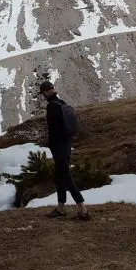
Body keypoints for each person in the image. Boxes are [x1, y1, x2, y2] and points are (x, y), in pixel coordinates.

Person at [39, 81, 90, 221]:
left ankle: (83, 209)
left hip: (59, 147)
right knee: (60, 176)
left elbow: (53, 130)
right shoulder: (62, 103)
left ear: (44, 93)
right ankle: (60, 208)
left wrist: (51, 144)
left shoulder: (52, 107)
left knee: (66, 176)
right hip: (67, 144)